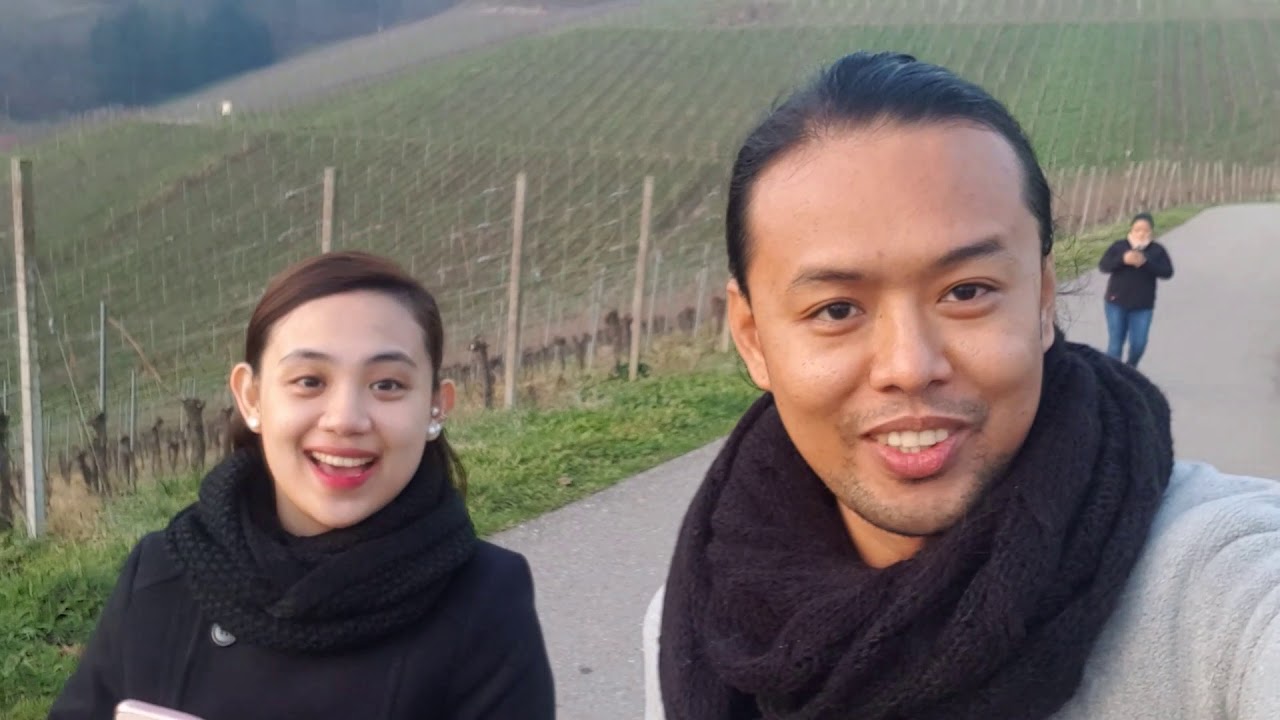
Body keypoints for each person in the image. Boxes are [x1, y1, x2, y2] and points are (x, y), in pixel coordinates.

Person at [645, 52, 1280, 720]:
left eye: (967, 291)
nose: (910, 365)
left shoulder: (1218, 585)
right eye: (836, 310)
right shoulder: (694, 628)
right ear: (752, 338)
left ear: (1040, 300)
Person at [50, 251, 556, 719]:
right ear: (250, 398)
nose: (345, 419)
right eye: (309, 381)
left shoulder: (487, 601)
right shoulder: (162, 575)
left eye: (387, 385)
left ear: (436, 406)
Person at [1097, 212, 1174, 368]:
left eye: (1145, 230)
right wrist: (1123, 260)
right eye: (1137, 229)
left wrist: (1145, 262)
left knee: (1139, 344)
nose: (1141, 233)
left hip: (1143, 305)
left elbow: (1167, 272)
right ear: (1131, 229)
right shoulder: (1119, 246)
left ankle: (1130, 368)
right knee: (1115, 345)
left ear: (1151, 232)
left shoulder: (1157, 250)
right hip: (1115, 302)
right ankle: (1112, 377)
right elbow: (1104, 266)